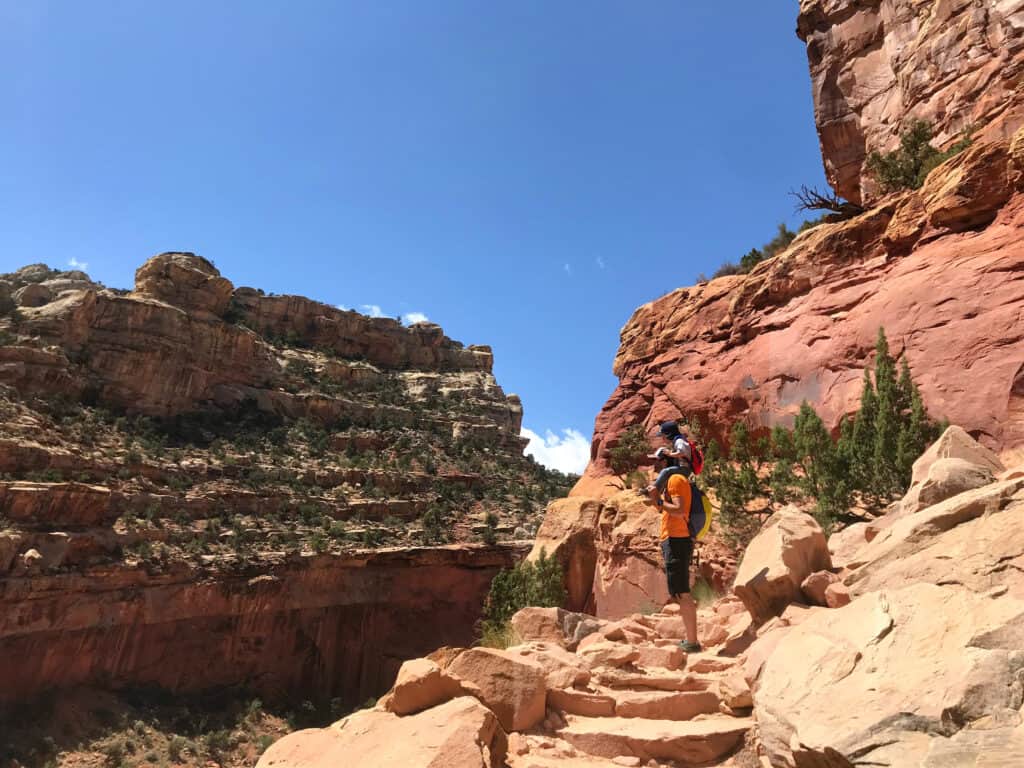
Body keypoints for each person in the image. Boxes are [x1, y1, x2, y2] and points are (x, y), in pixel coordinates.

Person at [657, 468, 701, 653]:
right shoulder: (675, 480)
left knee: (682, 592)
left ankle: (692, 642)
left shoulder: (675, 479)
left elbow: (678, 510)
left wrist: (659, 501)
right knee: (679, 591)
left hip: (677, 539)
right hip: (676, 539)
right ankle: (690, 639)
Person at [646, 420, 692, 507]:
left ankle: (654, 494)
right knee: (666, 470)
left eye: (663, 436)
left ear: (668, 434)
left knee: (666, 471)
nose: (662, 438)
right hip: (681, 467)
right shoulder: (677, 441)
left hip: (684, 469)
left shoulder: (679, 441)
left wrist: (670, 454)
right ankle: (659, 491)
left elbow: (682, 452)